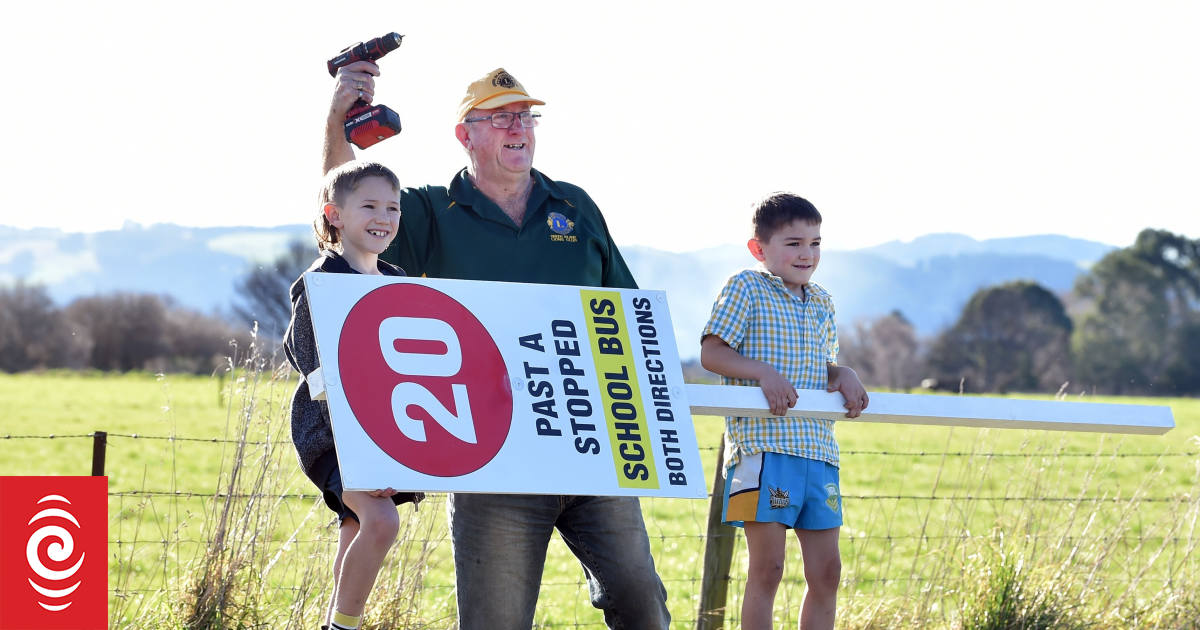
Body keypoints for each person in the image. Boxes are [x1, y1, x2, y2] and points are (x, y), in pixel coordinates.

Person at [323, 65, 670, 628]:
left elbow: (627, 316)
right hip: (492, 458)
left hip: (587, 445)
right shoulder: (432, 209)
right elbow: (345, 208)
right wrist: (340, 118)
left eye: (526, 117)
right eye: (502, 117)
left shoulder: (575, 205)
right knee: (496, 622)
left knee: (643, 605)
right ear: (466, 134)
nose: (519, 128)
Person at [699, 192, 869, 630]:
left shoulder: (823, 302)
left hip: (818, 452)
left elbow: (819, 368)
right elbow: (712, 353)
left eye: (815, 243)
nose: (807, 253)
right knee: (768, 568)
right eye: (793, 243)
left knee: (827, 572)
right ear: (759, 249)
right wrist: (763, 373)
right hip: (764, 450)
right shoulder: (746, 287)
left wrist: (843, 373)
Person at [284, 161, 424, 630]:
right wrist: (364, 454)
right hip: (332, 435)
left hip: (386, 430)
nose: (383, 217)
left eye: (393, 207)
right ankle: (343, 628)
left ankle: (336, 621)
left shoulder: (399, 280)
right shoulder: (322, 282)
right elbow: (311, 367)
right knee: (381, 522)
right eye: (369, 206)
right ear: (335, 215)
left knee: (356, 527)